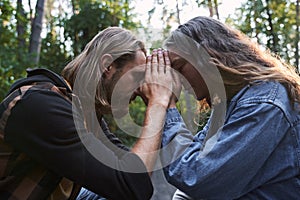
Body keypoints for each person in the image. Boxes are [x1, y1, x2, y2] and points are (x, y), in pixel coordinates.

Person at [0, 27, 174, 200]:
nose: (140, 90)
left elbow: (135, 174)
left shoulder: (89, 117)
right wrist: (157, 103)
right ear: (108, 66)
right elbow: (132, 185)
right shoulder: (41, 106)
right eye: (137, 77)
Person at [145, 16, 300, 199]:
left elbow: (194, 176)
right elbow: (197, 161)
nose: (175, 79)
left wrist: (165, 104)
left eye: (179, 66)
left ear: (207, 55)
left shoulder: (263, 105)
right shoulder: (231, 103)